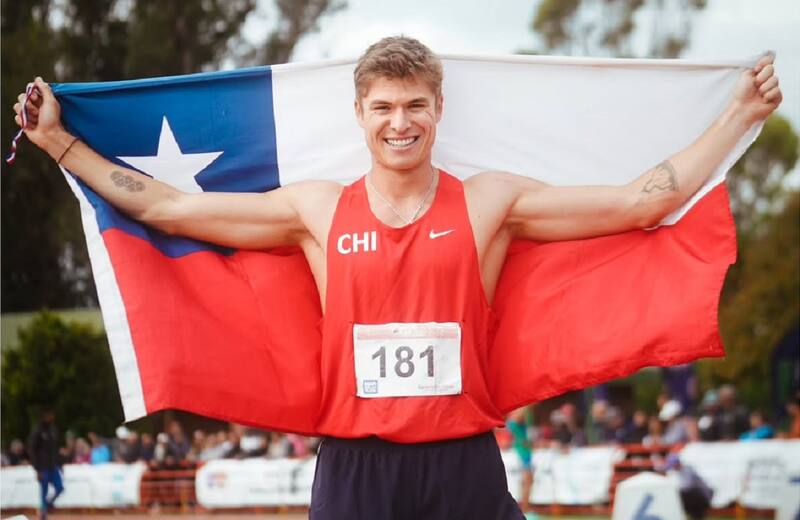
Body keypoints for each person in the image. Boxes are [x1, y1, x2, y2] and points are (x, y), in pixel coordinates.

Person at [12, 36, 782, 519]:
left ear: (438, 108)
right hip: (355, 466)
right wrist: (61, 148)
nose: (400, 121)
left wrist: (740, 114)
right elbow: (175, 210)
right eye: (383, 106)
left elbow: (639, 202)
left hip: (461, 463)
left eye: (415, 104)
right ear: (359, 113)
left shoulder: (489, 203)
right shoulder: (316, 210)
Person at [27, 409, 64, 519]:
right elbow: (32, 450)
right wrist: (37, 469)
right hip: (42, 467)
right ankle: (43, 514)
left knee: (60, 487)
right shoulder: (37, 431)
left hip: (53, 465)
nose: (51, 417)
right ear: (44, 416)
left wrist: (60, 464)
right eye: (49, 415)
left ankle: (46, 505)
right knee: (44, 490)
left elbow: (55, 449)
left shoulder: (53, 430)